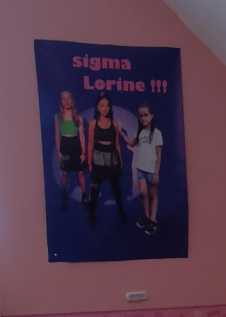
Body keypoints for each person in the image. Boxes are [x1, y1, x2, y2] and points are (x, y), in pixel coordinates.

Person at [86, 95, 128, 224]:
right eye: (102, 105)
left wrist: (120, 161)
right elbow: (90, 144)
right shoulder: (93, 124)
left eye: (107, 105)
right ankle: (92, 214)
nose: (105, 108)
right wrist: (89, 162)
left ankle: (121, 210)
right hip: (98, 158)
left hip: (112, 158)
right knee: (95, 187)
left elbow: (117, 144)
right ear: (97, 108)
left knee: (116, 186)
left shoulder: (115, 124)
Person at [131, 104, 163, 235]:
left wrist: (156, 173)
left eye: (146, 115)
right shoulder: (139, 132)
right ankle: (146, 216)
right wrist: (120, 132)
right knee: (143, 193)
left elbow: (159, 155)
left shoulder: (157, 133)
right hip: (140, 168)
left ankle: (153, 220)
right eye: (141, 116)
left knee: (152, 194)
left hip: (151, 169)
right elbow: (131, 142)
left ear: (151, 116)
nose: (143, 118)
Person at [54, 89, 83, 211]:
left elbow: (81, 135)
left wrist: (83, 152)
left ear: (72, 100)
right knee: (65, 173)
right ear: (61, 101)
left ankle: (85, 197)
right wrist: (58, 151)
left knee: (80, 172)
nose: (66, 101)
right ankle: (64, 196)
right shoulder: (58, 117)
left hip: (75, 145)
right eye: (63, 98)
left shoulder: (77, 117)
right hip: (65, 146)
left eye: (68, 98)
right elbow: (57, 134)